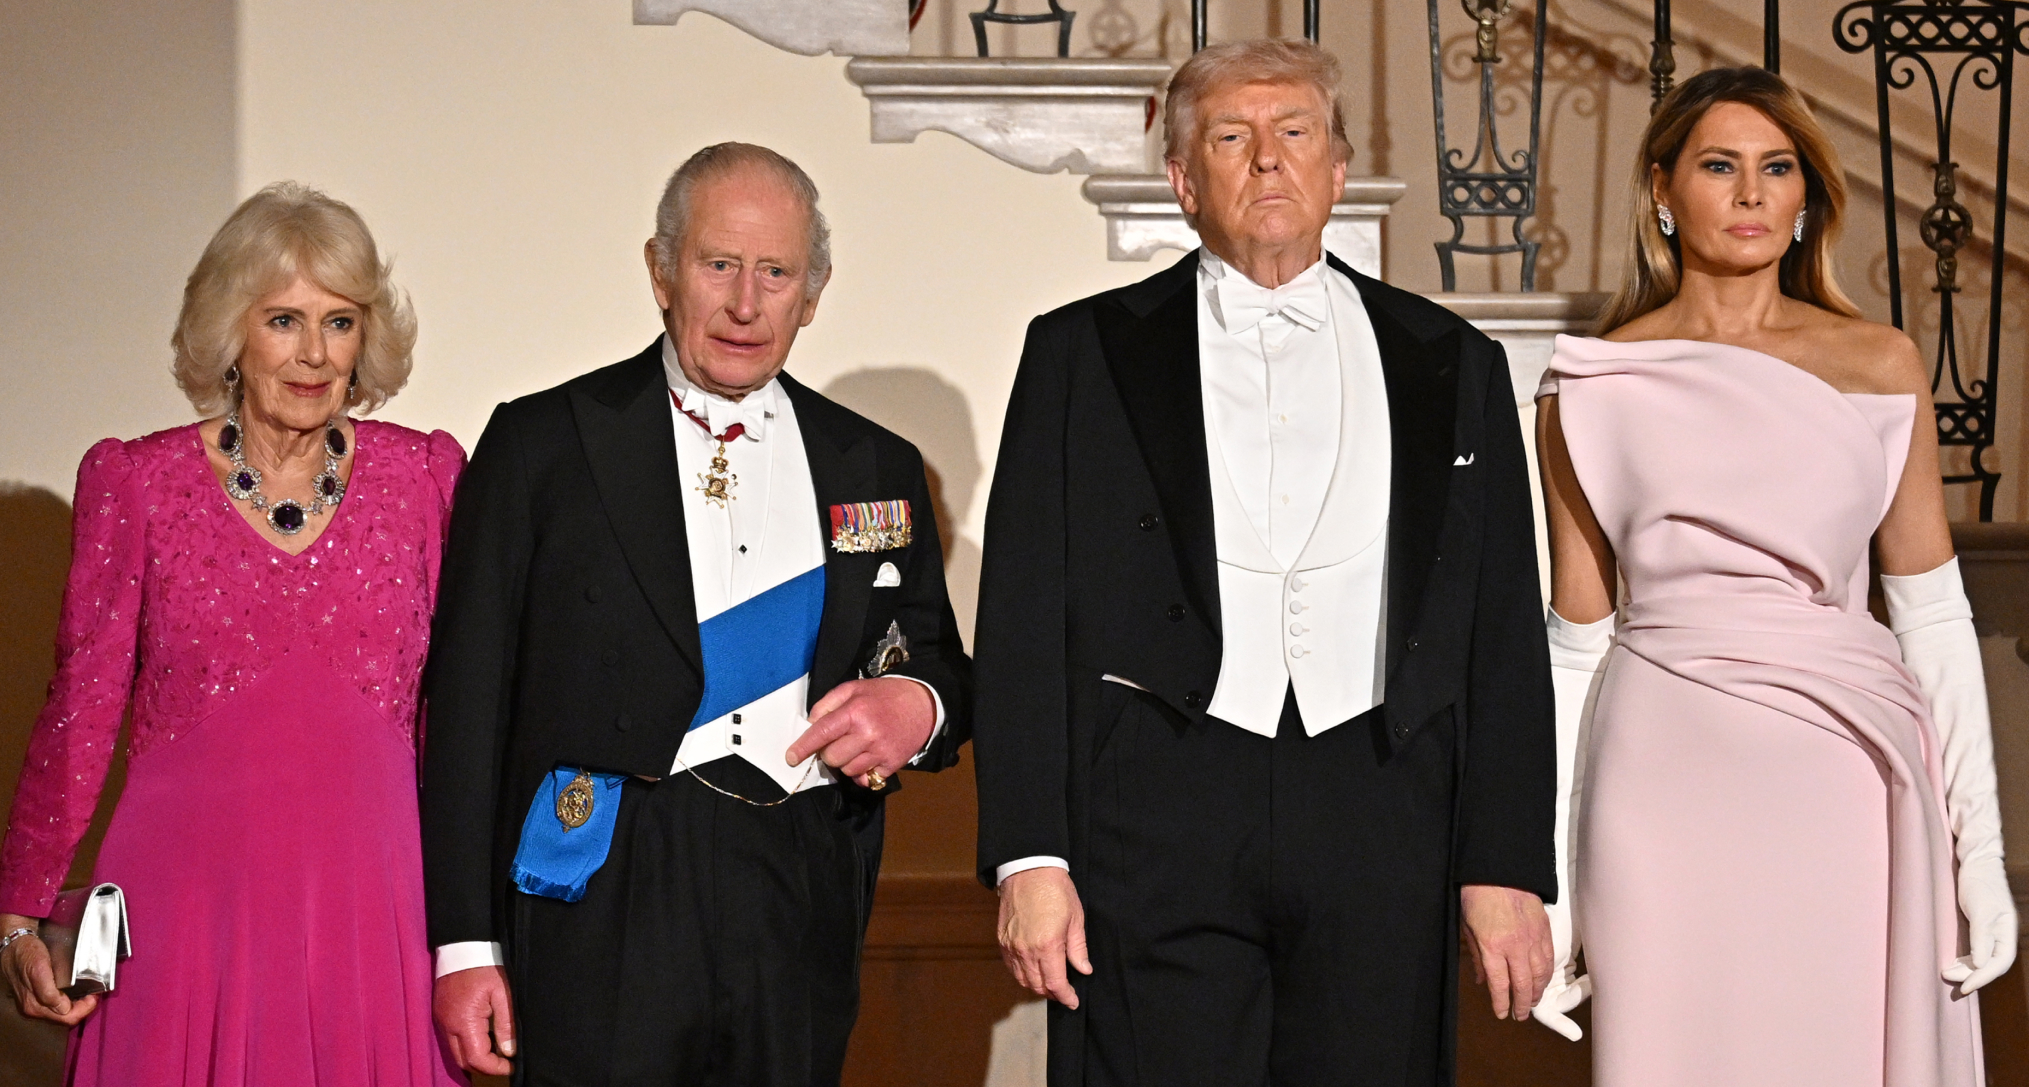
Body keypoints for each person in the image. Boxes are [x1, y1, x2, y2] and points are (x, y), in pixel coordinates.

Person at [972, 39, 1558, 1086]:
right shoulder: (1078, 353)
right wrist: (1029, 853)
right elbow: (1021, 616)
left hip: (1384, 799)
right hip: (1154, 798)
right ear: (1184, 182)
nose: (1268, 160)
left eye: (1295, 133)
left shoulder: (1453, 360)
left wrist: (1504, 861)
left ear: (1338, 171)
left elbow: (1501, 627)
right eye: (1232, 138)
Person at [422, 142, 972, 1086]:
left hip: (799, 877)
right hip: (607, 878)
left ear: (814, 289)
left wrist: (913, 705)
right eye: (719, 264)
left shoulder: (874, 463)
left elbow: (939, 663)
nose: (746, 303)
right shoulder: (544, 443)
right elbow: (467, 704)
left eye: (776, 272)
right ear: (661, 271)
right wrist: (463, 944)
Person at [1534, 66, 2015, 1086]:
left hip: (1842, 775)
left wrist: (1979, 844)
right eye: (1719, 166)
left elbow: (1930, 613)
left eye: (1776, 168)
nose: (1750, 193)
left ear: (1804, 199)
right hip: (1655, 784)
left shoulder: (1878, 364)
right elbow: (1574, 646)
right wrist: (1553, 889)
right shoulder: (1587, 381)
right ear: (1662, 190)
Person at [0, 183, 464, 1085]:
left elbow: (462, 713)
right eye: (284, 320)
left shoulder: (426, 479)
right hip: (185, 910)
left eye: (340, 322)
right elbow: (81, 711)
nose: (315, 354)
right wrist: (19, 912)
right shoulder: (135, 482)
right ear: (230, 332)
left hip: (379, 908)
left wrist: (484, 921)